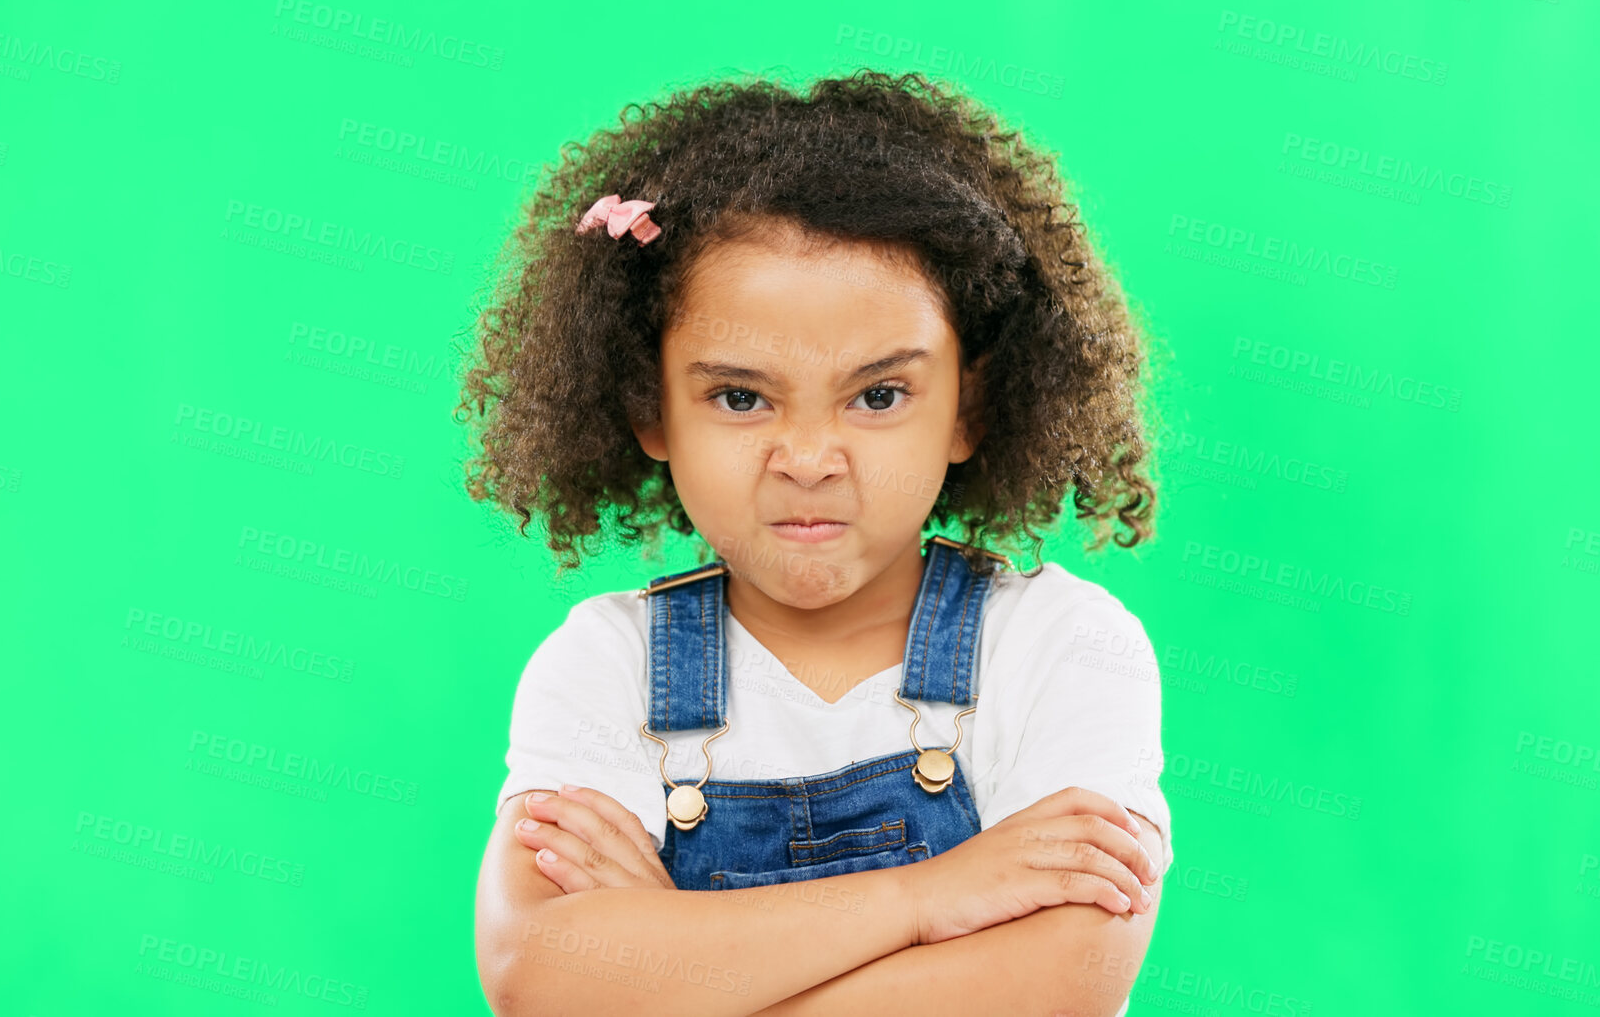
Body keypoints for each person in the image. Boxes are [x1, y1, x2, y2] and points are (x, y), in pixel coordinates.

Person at [459, 68, 1170, 1017]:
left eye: (878, 395)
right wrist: (927, 898)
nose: (806, 458)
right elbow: (538, 972)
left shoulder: (1060, 646)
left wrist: (670, 972)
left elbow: (1057, 983)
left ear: (971, 406)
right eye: (740, 397)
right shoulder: (605, 666)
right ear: (649, 409)